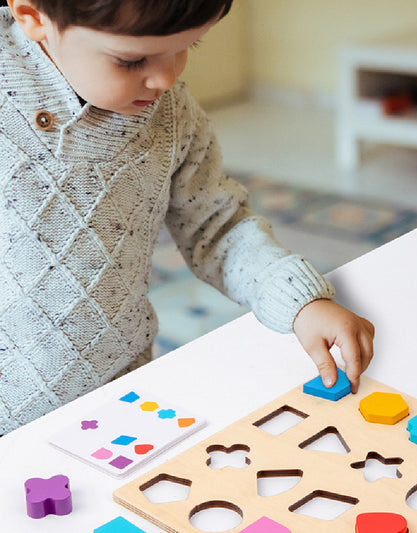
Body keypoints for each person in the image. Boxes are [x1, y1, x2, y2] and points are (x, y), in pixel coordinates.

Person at [0, 0, 375, 435]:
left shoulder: (172, 116)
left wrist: (301, 301)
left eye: (187, 47)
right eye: (132, 60)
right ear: (32, 18)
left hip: (116, 390)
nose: (165, 78)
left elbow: (218, 227)